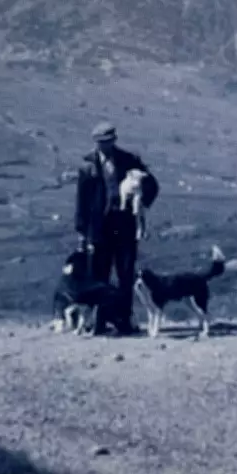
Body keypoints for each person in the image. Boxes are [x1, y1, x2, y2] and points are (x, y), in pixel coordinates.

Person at [74, 121, 159, 335]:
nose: (105, 146)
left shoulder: (129, 162)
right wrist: (82, 232)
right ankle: (99, 321)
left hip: (124, 225)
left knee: (125, 273)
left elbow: (152, 184)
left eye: (109, 141)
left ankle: (123, 320)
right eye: (101, 142)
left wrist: (140, 202)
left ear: (114, 140)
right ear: (96, 143)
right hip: (99, 227)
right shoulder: (88, 167)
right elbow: (81, 201)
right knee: (98, 275)